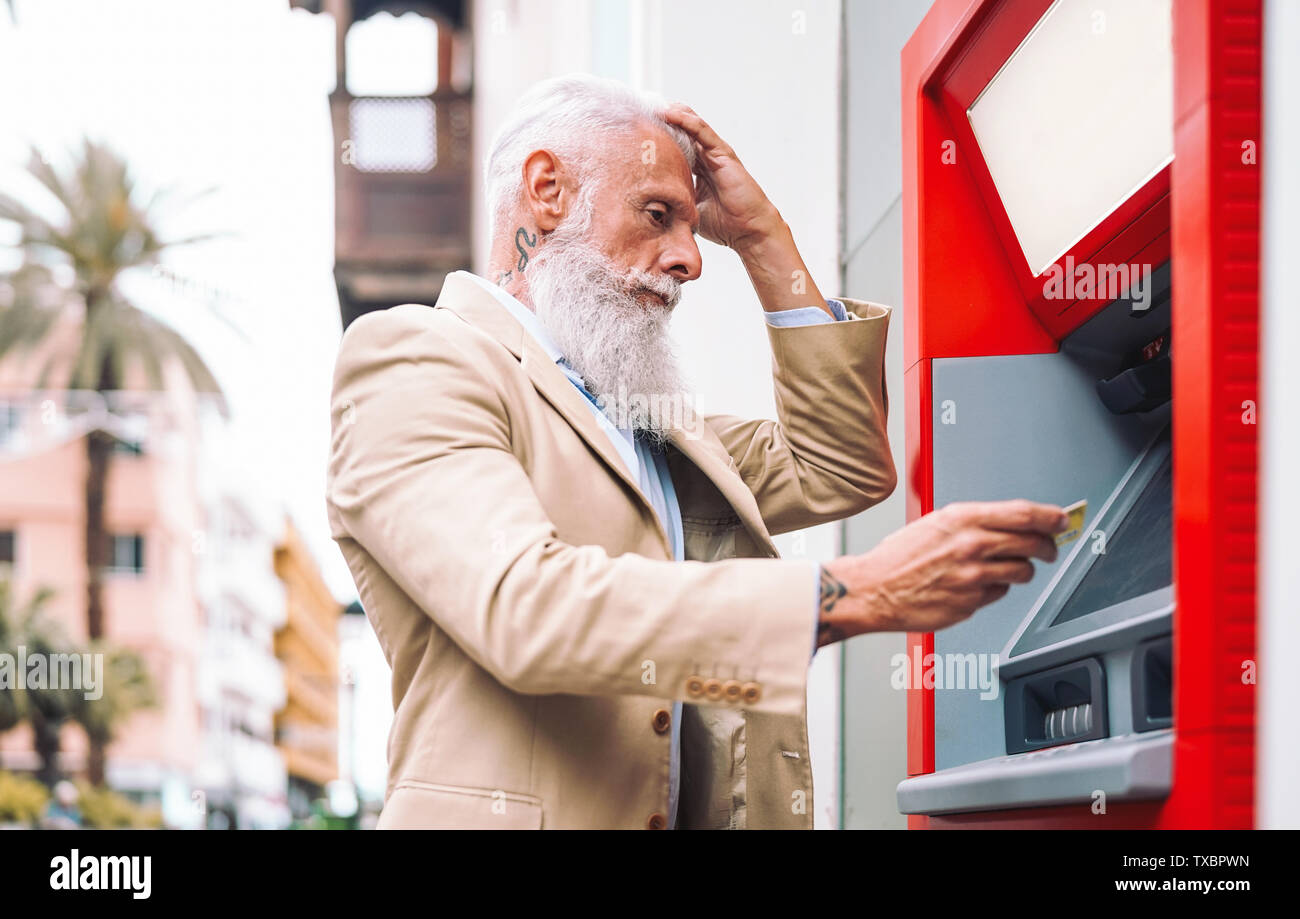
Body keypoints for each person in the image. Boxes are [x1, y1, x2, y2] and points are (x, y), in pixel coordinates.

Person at [326, 74, 1067, 830]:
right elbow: (525, 606)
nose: (690, 258)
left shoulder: (647, 421)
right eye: (658, 215)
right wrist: (851, 594)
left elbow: (840, 463)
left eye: (693, 226)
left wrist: (761, 236)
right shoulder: (409, 359)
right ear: (546, 190)